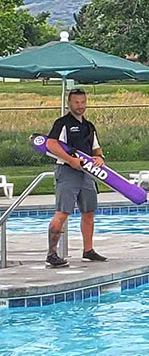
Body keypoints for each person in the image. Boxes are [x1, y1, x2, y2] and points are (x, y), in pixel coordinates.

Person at [45, 89, 107, 267]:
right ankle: (52, 253)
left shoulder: (89, 126)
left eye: (82, 102)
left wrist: (99, 158)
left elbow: (96, 148)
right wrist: (71, 160)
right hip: (67, 171)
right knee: (62, 212)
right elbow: (51, 144)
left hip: (87, 173)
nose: (80, 106)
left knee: (88, 212)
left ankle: (88, 250)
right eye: (76, 102)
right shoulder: (62, 123)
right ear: (69, 104)